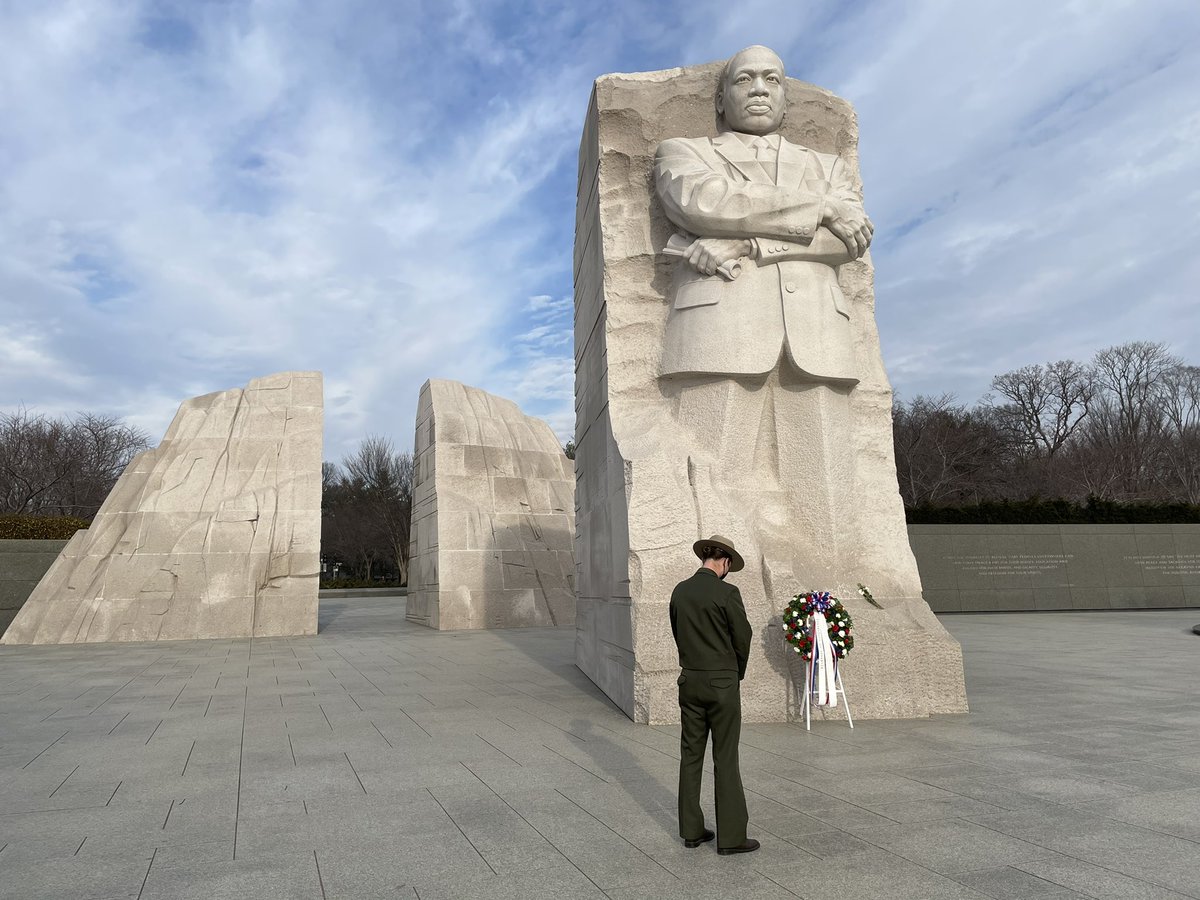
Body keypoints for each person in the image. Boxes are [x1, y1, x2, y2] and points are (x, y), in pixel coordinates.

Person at [669, 535, 758, 855]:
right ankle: (732, 837)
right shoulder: (727, 592)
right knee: (725, 758)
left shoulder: (680, 590)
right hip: (722, 685)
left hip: (689, 682)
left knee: (690, 756)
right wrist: (735, 673)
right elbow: (742, 638)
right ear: (726, 563)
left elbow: (678, 632)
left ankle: (691, 831)